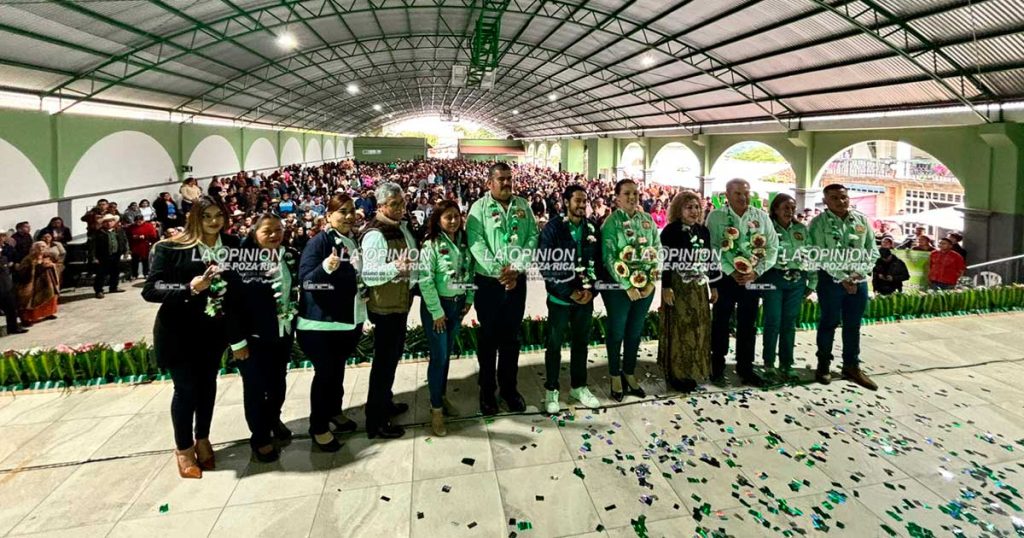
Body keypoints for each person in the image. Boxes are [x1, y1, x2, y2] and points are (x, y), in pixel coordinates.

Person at [142, 196, 240, 478]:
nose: (213, 222)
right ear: (195, 218)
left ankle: (203, 438)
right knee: (185, 390)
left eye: (218, 215)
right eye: (207, 216)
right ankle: (184, 448)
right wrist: (190, 288)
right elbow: (152, 289)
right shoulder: (172, 248)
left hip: (213, 331)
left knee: (208, 385)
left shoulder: (232, 246)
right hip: (178, 332)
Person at [226, 213, 299, 463]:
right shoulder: (241, 260)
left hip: (282, 331)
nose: (274, 235)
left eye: (278, 229)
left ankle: (273, 419)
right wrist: (237, 341)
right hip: (253, 338)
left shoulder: (286, 255)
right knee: (256, 388)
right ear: (254, 232)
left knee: (278, 383)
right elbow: (230, 304)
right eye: (267, 230)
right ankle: (260, 437)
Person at [467, 163, 539, 414]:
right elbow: (475, 243)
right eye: (501, 179)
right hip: (489, 283)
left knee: (511, 338)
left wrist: (516, 268)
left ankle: (509, 389)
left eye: (509, 179)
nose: (507, 183)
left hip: (517, 281)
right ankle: (487, 391)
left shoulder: (523, 206)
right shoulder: (479, 208)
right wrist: (501, 272)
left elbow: (532, 238)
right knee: (488, 338)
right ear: (489, 183)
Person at [296, 194, 364, 452]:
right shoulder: (320, 242)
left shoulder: (351, 240)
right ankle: (319, 427)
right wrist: (326, 267)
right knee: (325, 376)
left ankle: (334, 412)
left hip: (346, 322)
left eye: (351, 211)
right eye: (342, 211)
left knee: (337, 373)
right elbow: (306, 281)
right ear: (328, 215)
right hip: (320, 326)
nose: (348, 216)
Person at [705, 179, 779, 387]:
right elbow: (711, 248)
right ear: (726, 195)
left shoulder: (761, 216)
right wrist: (730, 271)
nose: (743, 197)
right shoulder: (716, 216)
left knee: (748, 325)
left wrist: (756, 272)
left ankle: (746, 369)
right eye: (737, 193)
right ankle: (716, 367)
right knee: (720, 323)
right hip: (726, 279)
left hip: (751, 280)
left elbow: (773, 247)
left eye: (746, 193)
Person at [359, 182, 418, 438]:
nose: (400, 207)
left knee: (391, 360)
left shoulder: (399, 226)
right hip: (385, 308)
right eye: (394, 204)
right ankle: (376, 420)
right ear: (381, 206)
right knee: (383, 365)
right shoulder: (376, 234)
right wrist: (396, 268)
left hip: (398, 303)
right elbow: (369, 275)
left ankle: (385, 403)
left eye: (402, 202)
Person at [808, 184, 879, 390]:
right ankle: (823, 365)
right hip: (831, 281)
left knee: (853, 325)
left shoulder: (861, 220)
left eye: (843, 197)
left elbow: (872, 251)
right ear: (825, 201)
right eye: (835, 198)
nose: (841, 201)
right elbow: (818, 253)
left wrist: (858, 275)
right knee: (828, 322)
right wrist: (842, 278)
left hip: (858, 281)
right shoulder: (818, 224)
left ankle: (851, 365)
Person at [538, 184, 601, 414]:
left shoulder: (592, 228)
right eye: (577, 200)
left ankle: (578, 386)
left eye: (585, 201)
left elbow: (599, 264)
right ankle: (551, 389)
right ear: (566, 202)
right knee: (554, 345)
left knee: (581, 344)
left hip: (585, 300)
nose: (582, 205)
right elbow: (546, 266)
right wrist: (569, 292)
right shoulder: (553, 229)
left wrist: (592, 291)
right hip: (560, 301)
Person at [418, 200, 475, 435]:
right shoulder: (431, 244)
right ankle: (436, 410)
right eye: (447, 217)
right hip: (437, 309)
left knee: (447, 356)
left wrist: (469, 298)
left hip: (457, 305)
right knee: (439, 357)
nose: (453, 221)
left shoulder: (464, 243)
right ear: (438, 220)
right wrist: (437, 312)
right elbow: (425, 279)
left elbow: (470, 271)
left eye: (456, 216)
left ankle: (440, 395)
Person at [600, 179, 660, 401]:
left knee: (635, 332)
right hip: (618, 288)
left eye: (635, 193)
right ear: (617, 197)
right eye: (627, 193)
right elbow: (608, 257)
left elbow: (657, 250)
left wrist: (652, 282)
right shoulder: (611, 223)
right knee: (617, 331)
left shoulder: (647, 221)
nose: (632, 197)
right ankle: (615, 374)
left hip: (645, 287)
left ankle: (629, 372)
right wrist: (626, 285)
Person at [657, 190, 719, 393]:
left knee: (698, 327)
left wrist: (714, 285)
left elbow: (710, 259)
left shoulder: (703, 231)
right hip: (678, 286)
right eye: (688, 207)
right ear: (678, 209)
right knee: (680, 329)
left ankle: (694, 369)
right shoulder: (670, 231)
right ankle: (677, 373)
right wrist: (666, 287)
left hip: (699, 287)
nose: (694, 211)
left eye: (696, 207)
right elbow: (665, 261)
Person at [760, 193, 814, 383]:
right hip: (773, 278)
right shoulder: (767, 228)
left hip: (797, 280)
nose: (789, 212)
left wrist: (812, 283)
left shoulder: (801, 229)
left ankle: (786, 364)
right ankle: (768, 364)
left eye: (792, 208)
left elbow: (811, 256)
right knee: (773, 321)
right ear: (775, 209)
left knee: (789, 323)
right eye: (785, 208)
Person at [14, 242, 60, 325]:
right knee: (30, 300)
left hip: (46, 281)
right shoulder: (29, 258)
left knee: (50, 296)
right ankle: (27, 318)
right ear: (34, 248)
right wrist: (39, 266)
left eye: (43, 247)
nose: (41, 249)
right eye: (39, 247)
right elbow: (23, 271)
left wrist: (51, 265)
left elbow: (57, 258)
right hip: (32, 283)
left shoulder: (47, 256)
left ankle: (48, 313)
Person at [92, 215, 127, 299]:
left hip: (116, 255)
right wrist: (94, 257)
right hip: (103, 256)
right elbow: (93, 246)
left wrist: (126, 251)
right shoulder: (98, 233)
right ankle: (99, 290)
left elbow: (124, 241)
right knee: (101, 273)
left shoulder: (119, 231)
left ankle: (113, 287)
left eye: (111, 221)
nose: (109, 223)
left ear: (114, 222)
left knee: (115, 272)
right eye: (106, 222)